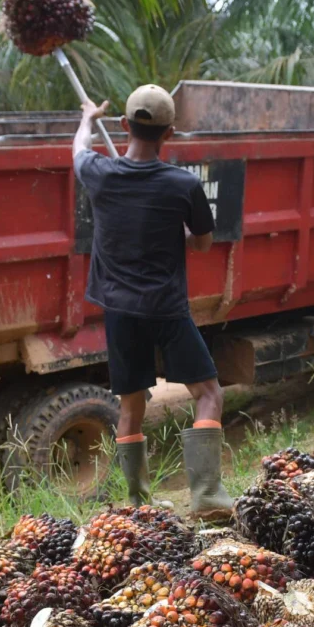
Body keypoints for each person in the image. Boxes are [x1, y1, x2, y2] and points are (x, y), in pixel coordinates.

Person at [73, 85, 233, 517]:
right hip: (166, 307)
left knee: (131, 405)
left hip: (120, 311)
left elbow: (78, 150)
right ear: (170, 133)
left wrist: (89, 117)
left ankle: (139, 504)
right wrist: (175, 233)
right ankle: (206, 497)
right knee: (208, 395)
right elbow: (202, 244)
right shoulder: (182, 185)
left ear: (125, 126)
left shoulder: (99, 174)